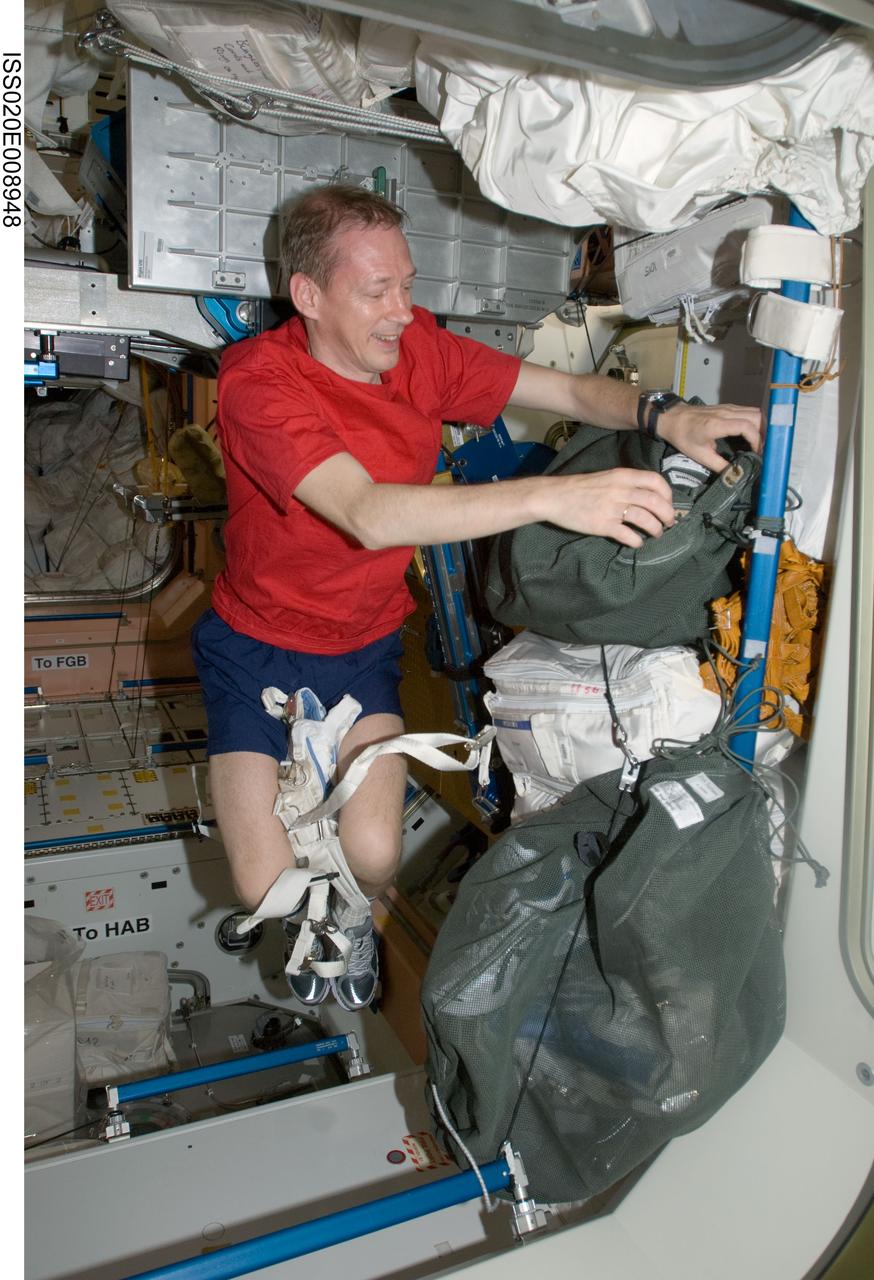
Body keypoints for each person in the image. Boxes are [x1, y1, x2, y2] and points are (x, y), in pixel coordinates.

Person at [192, 182, 762, 1013]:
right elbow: (369, 513)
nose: (401, 310)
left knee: (377, 855)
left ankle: (353, 911)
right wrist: (552, 498)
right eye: (376, 291)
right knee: (261, 881)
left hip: (360, 646)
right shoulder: (259, 384)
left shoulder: (416, 348)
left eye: (408, 284)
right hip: (252, 647)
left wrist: (667, 413)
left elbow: (564, 391)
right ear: (308, 297)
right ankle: (315, 902)